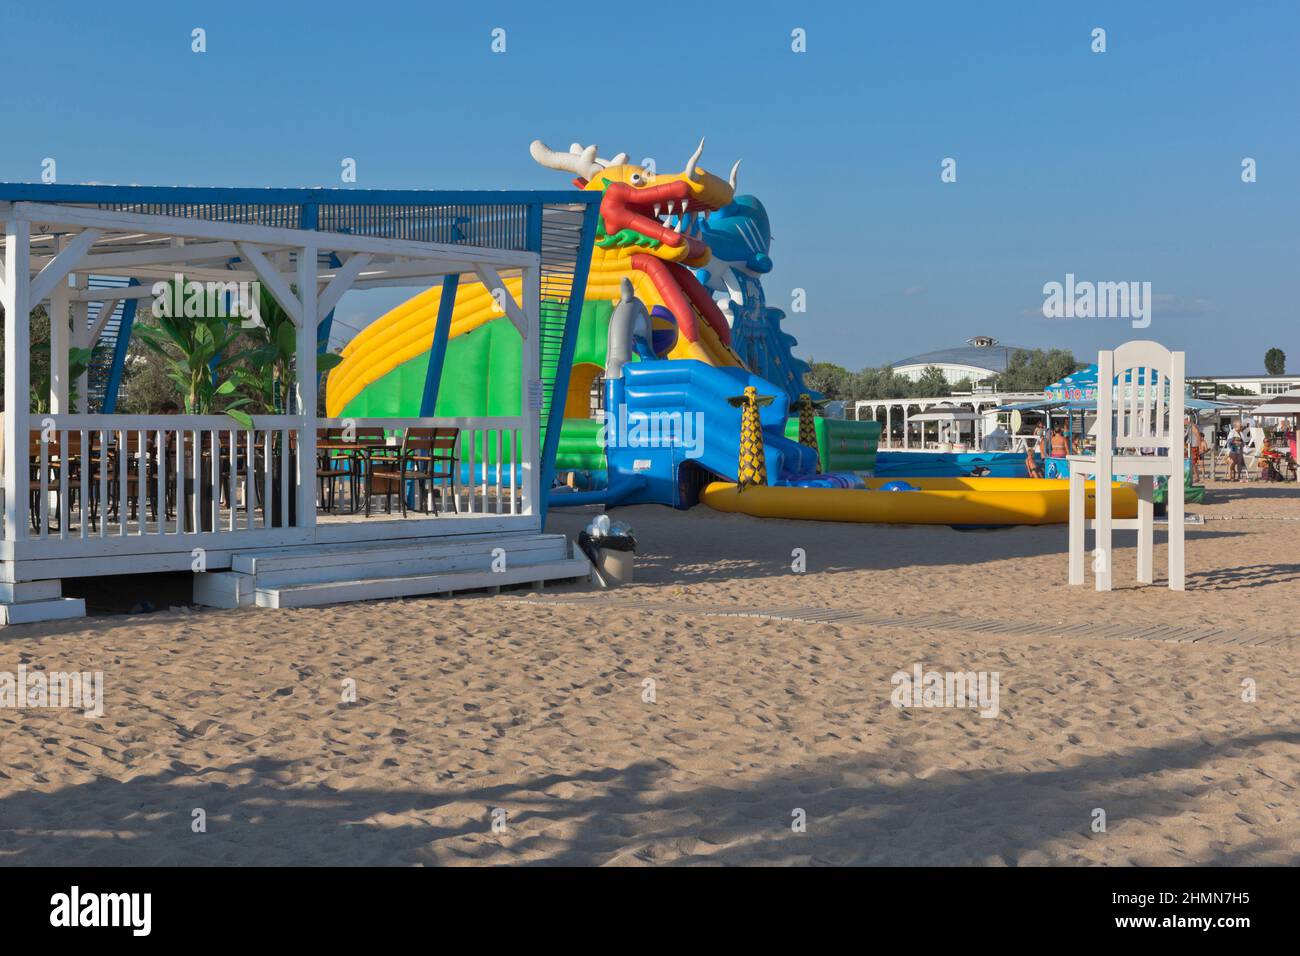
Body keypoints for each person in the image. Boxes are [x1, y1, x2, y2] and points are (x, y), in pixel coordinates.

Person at [1186, 417, 1207, 483]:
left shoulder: (1193, 426)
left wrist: (1200, 446)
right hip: (1191, 446)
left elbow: (1198, 436)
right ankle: (1195, 476)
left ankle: (1196, 477)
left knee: (1194, 462)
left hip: (1194, 446)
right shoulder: (1189, 427)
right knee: (1192, 462)